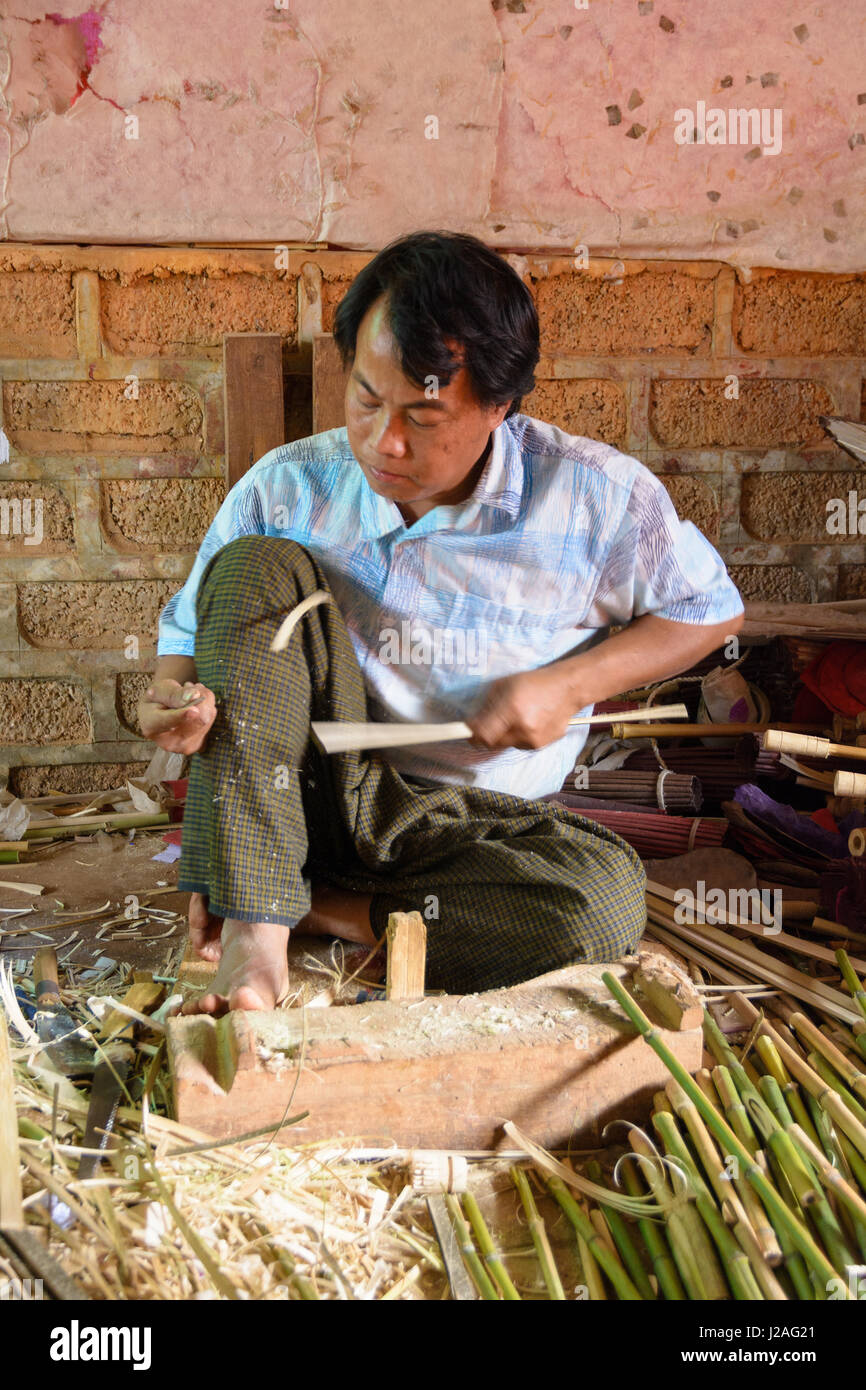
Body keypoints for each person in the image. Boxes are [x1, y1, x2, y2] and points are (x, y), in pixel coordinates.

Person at [138, 230, 745, 1015]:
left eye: (423, 415)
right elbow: (185, 641)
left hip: (472, 830)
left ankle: (325, 908)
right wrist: (171, 701)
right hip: (301, 794)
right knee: (255, 564)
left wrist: (570, 684)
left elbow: (708, 608)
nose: (383, 442)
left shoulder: (596, 498)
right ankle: (257, 942)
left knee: (600, 903)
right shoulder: (288, 486)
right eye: (366, 398)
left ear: (499, 405)